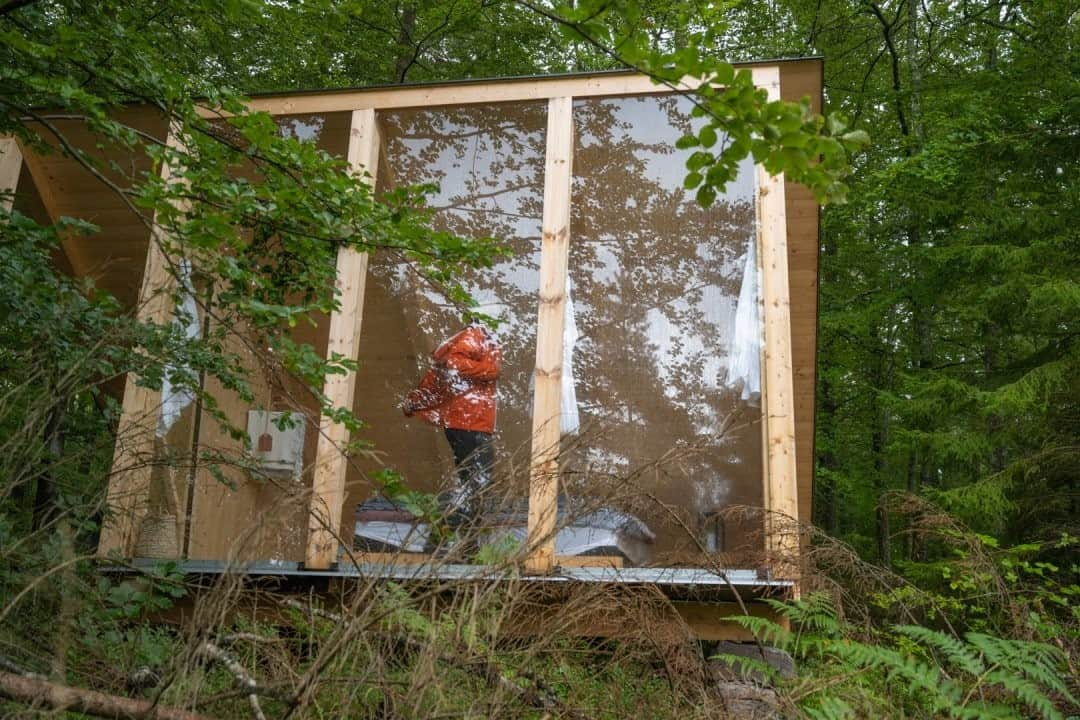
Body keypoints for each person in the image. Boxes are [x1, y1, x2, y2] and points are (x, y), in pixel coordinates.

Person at [402, 317, 502, 524]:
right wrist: (490, 370)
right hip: (470, 422)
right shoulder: (476, 334)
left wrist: (416, 401)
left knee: (472, 481)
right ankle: (457, 532)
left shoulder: (473, 337)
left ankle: (455, 535)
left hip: (465, 422)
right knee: (479, 483)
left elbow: (439, 375)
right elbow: (453, 364)